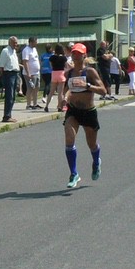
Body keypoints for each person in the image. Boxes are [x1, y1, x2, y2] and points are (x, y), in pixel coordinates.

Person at [61, 43, 107, 189]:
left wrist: (87, 86)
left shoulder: (90, 72)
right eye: (74, 53)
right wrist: (64, 98)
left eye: (79, 53)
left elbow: (103, 91)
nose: (75, 56)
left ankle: (96, 161)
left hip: (88, 112)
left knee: (91, 144)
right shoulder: (69, 73)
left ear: (84, 55)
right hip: (73, 111)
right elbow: (67, 91)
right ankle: (74, 173)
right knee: (69, 139)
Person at [0, 36, 21, 122]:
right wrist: (2, 75)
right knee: (9, 95)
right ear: (10, 42)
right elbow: (1, 65)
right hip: (8, 74)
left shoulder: (14, 51)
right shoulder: (5, 51)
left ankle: (9, 114)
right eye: (14, 42)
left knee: (13, 96)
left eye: (16, 43)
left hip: (15, 73)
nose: (16, 44)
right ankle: (6, 116)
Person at [43, 44, 68, 113]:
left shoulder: (52, 57)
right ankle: (59, 107)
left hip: (54, 74)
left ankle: (46, 106)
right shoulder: (63, 58)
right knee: (60, 93)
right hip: (61, 74)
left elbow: (51, 66)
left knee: (51, 91)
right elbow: (66, 66)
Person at [21, 36, 41, 110]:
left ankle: (35, 104)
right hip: (30, 73)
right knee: (30, 88)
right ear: (31, 42)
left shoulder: (34, 49)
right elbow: (25, 62)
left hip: (36, 72)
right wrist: (28, 73)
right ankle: (28, 104)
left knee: (37, 87)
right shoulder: (26, 50)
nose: (36, 43)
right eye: (35, 42)